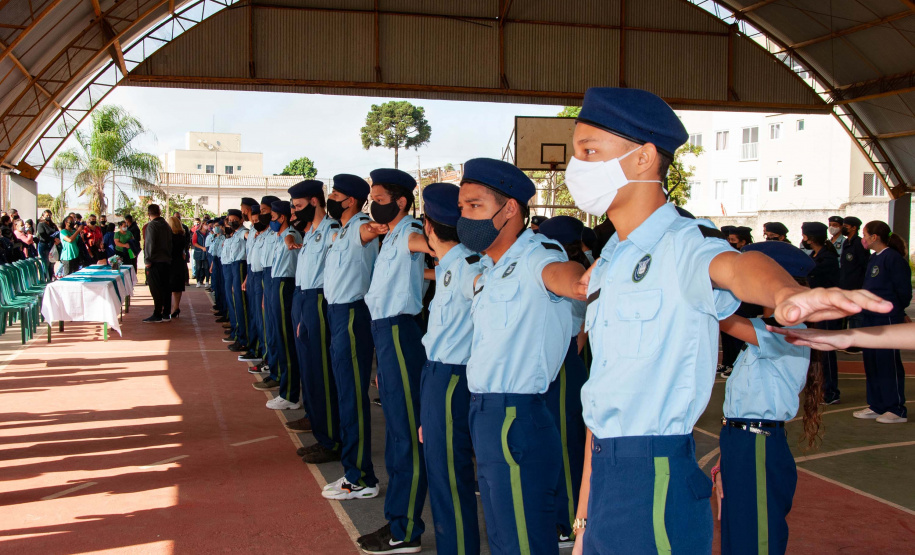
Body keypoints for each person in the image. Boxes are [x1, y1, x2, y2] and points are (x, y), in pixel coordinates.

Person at [562, 87, 890, 554]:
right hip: (604, 475)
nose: (577, 167)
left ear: (643, 158)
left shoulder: (685, 244)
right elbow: (601, 405)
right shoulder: (612, 258)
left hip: (653, 479)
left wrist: (785, 293)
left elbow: (735, 267)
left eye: (589, 151)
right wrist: (583, 524)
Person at [459, 158, 584, 555]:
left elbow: (563, 276)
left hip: (515, 416)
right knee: (501, 533)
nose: (465, 217)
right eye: (463, 208)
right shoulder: (492, 267)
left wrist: (581, 280)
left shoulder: (537, 256)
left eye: (475, 206)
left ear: (509, 208)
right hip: (485, 412)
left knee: (521, 538)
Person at [712, 240, 817, 555]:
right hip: (742, 441)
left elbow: (723, 319)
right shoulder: (767, 328)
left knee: (756, 537)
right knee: (738, 533)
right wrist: (727, 451)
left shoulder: (789, 328)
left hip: (758, 443)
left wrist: (704, 284)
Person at [357, 168, 432, 554]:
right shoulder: (393, 234)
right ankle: (398, 521)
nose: (373, 205)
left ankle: (405, 530)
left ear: (401, 202)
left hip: (401, 333)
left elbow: (431, 246)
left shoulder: (411, 232)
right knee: (397, 434)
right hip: (386, 335)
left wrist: (440, 247)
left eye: (380, 199)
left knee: (406, 436)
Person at [415, 183, 482, 555]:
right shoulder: (451, 265)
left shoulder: (469, 267)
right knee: (443, 474)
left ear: (428, 225)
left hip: (453, 378)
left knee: (449, 478)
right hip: (438, 375)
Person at [320, 174, 380, 502]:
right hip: (337, 313)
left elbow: (370, 231)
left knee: (352, 397)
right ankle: (353, 470)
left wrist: (380, 226)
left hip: (353, 314)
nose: (330, 199)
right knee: (345, 393)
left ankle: (361, 477)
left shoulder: (359, 227)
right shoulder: (341, 230)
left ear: (351, 201)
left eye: (335, 195)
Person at [537, 215, 590, 547]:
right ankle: (561, 515)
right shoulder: (572, 270)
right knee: (556, 442)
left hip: (563, 361)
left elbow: (578, 330)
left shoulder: (569, 274)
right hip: (562, 360)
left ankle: (570, 520)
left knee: (566, 446)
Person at [287, 180, 343, 456]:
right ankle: (316, 420)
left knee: (320, 372)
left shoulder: (331, 230)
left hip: (319, 299)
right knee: (308, 367)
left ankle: (330, 439)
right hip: (303, 298)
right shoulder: (310, 233)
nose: (295, 212)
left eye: (298, 206)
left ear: (313, 201)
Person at [851, 221, 911, 424]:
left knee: (888, 363)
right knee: (872, 362)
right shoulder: (874, 258)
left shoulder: (893, 258)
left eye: (865, 234)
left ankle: (896, 409)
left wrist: (895, 311)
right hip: (869, 317)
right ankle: (877, 405)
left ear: (874, 237)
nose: (864, 239)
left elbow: (903, 291)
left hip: (886, 318)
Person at [260, 200, 303, 410]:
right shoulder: (278, 236)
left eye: (273, 217)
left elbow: (290, 239)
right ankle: (286, 390)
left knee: (286, 342)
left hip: (285, 286)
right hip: (276, 283)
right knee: (279, 338)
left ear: (282, 217)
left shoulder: (290, 234)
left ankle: (290, 395)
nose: (271, 220)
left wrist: (288, 241)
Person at [802, 221, 842, 405]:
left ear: (811, 238)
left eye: (805, 235)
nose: (803, 239)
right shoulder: (815, 255)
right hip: (814, 309)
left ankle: (831, 391)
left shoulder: (827, 259)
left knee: (826, 352)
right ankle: (820, 388)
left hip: (826, 310)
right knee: (816, 352)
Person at [249, 196, 280, 379]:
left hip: (270, 277)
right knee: (262, 322)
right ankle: (266, 357)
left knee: (270, 325)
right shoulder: (264, 234)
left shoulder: (277, 234)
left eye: (264, 211)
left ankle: (270, 360)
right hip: (259, 276)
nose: (261, 215)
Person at [221, 209, 249, 353]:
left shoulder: (244, 232)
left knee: (240, 303)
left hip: (240, 266)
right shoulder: (235, 234)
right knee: (234, 301)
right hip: (233, 266)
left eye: (234, 219)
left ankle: (242, 338)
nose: (232, 222)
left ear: (241, 220)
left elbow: (248, 238)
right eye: (230, 220)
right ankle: (238, 333)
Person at [143, 204, 173, 323]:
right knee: (166, 288)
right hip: (166, 260)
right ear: (159, 212)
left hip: (155, 261)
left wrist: (147, 260)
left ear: (149, 214)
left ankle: (157, 313)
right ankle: (166, 313)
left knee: (156, 288)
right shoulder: (166, 225)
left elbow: (149, 244)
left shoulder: (152, 225)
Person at [167, 215, 189, 319]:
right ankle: (176, 306)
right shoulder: (182, 236)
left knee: (169, 285)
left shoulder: (169, 237)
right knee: (178, 286)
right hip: (179, 262)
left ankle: (169, 308)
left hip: (171, 262)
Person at [36, 210, 58, 277]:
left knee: (52, 262)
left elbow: (57, 232)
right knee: (46, 263)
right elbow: (43, 235)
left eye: (49, 215)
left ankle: (51, 276)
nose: (48, 216)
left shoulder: (53, 225)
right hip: (44, 245)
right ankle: (45, 277)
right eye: (46, 215)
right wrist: (52, 239)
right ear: (43, 216)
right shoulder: (41, 224)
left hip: (52, 245)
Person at [192, 219, 210, 287]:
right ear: (202, 224)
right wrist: (202, 248)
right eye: (205, 224)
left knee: (206, 267)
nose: (206, 226)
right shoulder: (197, 233)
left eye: (207, 224)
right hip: (198, 253)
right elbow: (194, 242)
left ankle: (207, 281)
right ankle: (198, 281)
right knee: (198, 267)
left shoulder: (209, 233)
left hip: (206, 253)